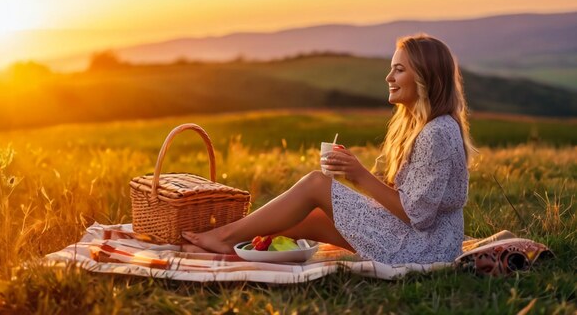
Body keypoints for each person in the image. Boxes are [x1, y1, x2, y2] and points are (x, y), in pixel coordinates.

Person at [182, 34, 475, 264]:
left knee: (315, 184)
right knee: (307, 221)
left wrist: (358, 174)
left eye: (399, 70)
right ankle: (231, 245)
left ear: (425, 78)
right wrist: (353, 176)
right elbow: (411, 199)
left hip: (423, 248)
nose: (389, 78)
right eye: (391, 69)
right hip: (421, 239)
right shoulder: (420, 126)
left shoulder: (437, 131)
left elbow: (418, 217)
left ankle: (222, 235)